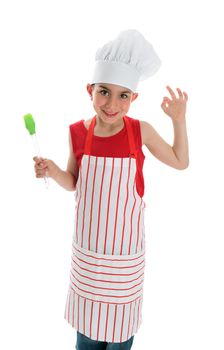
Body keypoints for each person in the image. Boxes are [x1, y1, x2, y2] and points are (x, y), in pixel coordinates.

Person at [33, 29, 189, 350]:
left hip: (124, 261)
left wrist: (179, 120)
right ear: (90, 90)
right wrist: (52, 169)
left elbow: (179, 160)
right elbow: (74, 182)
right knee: (87, 339)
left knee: (120, 339)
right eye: (104, 92)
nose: (112, 104)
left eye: (123, 95)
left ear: (134, 98)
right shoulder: (77, 132)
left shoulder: (139, 132)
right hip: (88, 259)